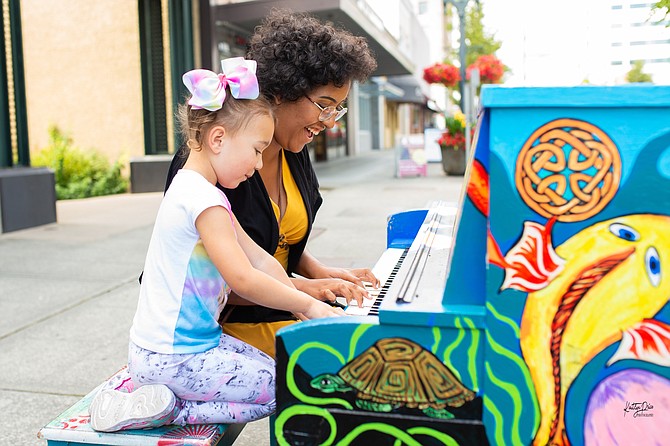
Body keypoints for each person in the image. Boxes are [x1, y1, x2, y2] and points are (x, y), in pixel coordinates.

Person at [88, 58, 342, 433]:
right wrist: (306, 303)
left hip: (180, 349)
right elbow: (242, 278)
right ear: (218, 138)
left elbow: (258, 259)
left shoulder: (201, 191)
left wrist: (304, 304)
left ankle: (157, 396)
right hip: (172, 358)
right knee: (283, 390)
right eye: (256, 150)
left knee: (280, 371)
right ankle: (164, 409)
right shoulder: (202, 200)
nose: (258, 164)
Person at [166, 9, 380, 357]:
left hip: (283, 302)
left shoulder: (294, 149)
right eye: (324, 106)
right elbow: (205, 279)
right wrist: (306, 291)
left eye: (338, 110)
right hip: (227, 325)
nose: (329, 123)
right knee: (356, 360)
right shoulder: (208, 164)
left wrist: (321, 273)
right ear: (282, 91)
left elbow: (279, 236)